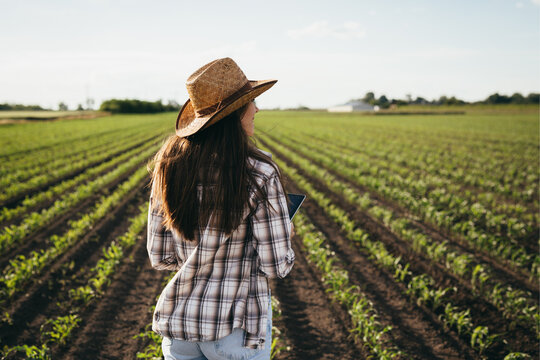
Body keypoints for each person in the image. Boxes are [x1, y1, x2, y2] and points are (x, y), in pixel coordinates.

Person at [146, 57, 295, 360]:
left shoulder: (168, 167)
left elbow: (160, 257)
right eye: (251, 102)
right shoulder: (259, 171)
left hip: (180, 328)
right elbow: (276, 266)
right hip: (234, 329)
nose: (257, 109)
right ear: (234, 113)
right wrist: (284, 232)